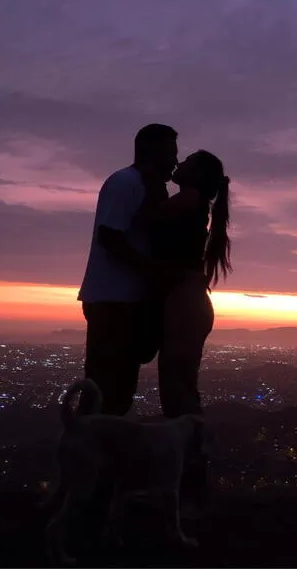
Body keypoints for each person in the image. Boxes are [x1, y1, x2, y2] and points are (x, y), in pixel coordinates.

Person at [138, 149, 232, 513]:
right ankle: (191, 478)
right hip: (189, 301)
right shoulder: (196, 201)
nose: (179, 164)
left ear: (198, 175)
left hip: (185, 303)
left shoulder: (190, 198)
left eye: (188, 160)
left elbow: (147, 219)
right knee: (179, 389)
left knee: (179, 392)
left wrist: (145, 180)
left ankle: (191, 480)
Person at [76, 123, 178, 416]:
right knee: (106, 387)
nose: (174, 161)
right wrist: (153, 271)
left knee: (118, 389)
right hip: (113, 300)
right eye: (171, 153)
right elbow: (110, 236)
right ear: (153, 152)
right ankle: (91, 452)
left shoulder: (143, 187)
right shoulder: (125, 182)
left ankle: (101, 451)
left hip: (125, 301)